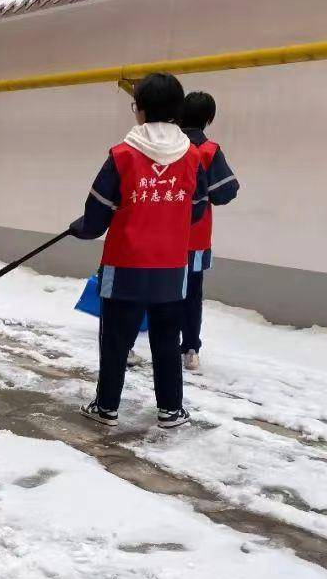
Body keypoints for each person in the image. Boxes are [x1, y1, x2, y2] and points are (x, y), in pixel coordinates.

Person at [71, 73, 209, 430]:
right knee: (167, 339)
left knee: (116, 340)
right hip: (172, 269)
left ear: (141, 110)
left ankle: (106, 408)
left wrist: (80, 228)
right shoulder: (192, 157)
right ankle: (170, 411)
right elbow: (196, 209)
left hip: (124, 267)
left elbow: (96, 216)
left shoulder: (122, 155)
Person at [179, 91, 240, 371]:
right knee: (192, 293)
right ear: (209, 119)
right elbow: (226, 192)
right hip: (195, 236)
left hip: (158, 234)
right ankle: (190, 348)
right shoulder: (209, 151)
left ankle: (131, 343)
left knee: (151, 287)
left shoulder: (166, 148)